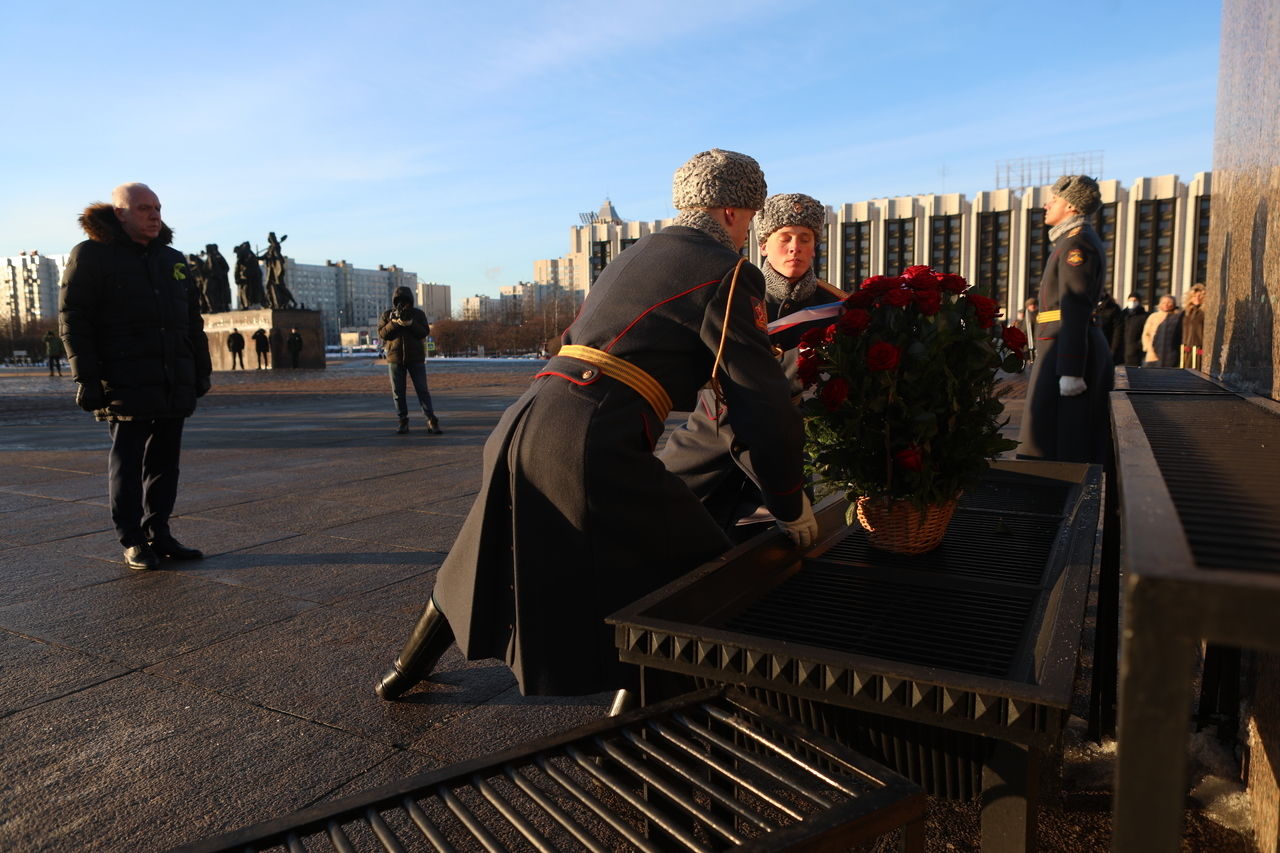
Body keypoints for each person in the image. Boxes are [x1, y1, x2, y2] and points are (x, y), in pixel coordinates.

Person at [374, 149, 816, 709]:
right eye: (753, 218)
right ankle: (637, 727)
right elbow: (761, 398)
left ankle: (400, 673)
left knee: (480, 552)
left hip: (528, 417)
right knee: (690, 577)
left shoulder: (634, 256)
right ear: (732, 211)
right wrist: (787, 498)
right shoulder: (728, 272)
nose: (749, 232)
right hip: (593, 438)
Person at [660, 192, 843, 540]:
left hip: (779, 464)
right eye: (785, 237)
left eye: (805, 239)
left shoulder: (835, 308)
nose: (795, 247)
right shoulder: (732, 292)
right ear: (763, 245)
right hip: (710, 445)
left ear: (815, 247)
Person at [59, 182, 211, 570]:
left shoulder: (173, 259)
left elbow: (191, 322)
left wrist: (200, 368)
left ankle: (159, 531)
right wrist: (86, 378)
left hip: (170, 376)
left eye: (158, 207)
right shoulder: (91, 255)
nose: (155, 215)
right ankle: (132, 539)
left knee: (165, 463)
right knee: (127, 463)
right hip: (122, 380)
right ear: (120, 213)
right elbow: (75, 320)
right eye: (144, 208)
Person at [1018, 175, 1114, 464]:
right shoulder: (1071, 240)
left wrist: (1071, 368)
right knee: (1053, 436)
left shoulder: (1077, 245)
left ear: (1071, 206)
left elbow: (1075, 305)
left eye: (1054, 200)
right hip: (1059, 346)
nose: (1047, 205)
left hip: (1066, 349)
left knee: (1065, 441)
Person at [378, 286, 441, 434]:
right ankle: (402, 421)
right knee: (398, 392)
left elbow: (424, 332)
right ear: (394, 301)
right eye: (399, 301)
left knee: (422, 390)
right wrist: (394, 323)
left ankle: (431, 420)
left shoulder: (418, 314)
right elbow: (382, 334)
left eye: (405, 301)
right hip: (395, 358)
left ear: (411, 301)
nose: (402, 303)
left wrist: (410, 323)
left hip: (416, 358)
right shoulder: (388, 315)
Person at [1142, 294, 1181, 367]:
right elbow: (1146, 334)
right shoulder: (1153, 316)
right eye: (1163, 302)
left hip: (1170, 355)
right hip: (1152, 354)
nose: (1166, 304)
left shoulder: (1177, 317)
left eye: (1169, 302)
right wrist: (1148, 347)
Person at [1180, 283, 1206, 369]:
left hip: (1199, 348)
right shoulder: (1187, 312)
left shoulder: (1204, 312)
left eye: (1199, 296)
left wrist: (1204, 347)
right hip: (1187, 347)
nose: (1197, 298)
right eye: (1194, 296)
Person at [1095, 292, 1124, 366]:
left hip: (1107, 346)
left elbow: (1118, 331)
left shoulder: (1113, 308)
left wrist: (1113, 350)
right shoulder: (1090, 306)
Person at [1121, 293, 1148, 367]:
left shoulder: (1144, 315)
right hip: (1121, 349)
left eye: (1135, 300)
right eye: (1130, 300)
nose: (1132, 302)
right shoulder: (1122, 314)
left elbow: (1145, 333)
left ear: (1139, 302)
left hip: (1135, 351)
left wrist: (1138, 345)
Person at [1020, 296, 1039, 362]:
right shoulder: (1027, 317)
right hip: (1029, 343)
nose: (1033, 306)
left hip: (1037, 341)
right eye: (1031, 305)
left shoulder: (1039, 315)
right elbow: (1024, 331)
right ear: (1027, 306)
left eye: (1034, 304)